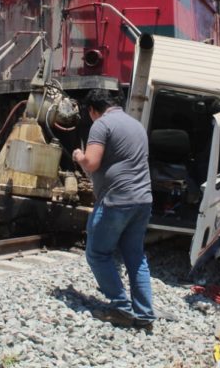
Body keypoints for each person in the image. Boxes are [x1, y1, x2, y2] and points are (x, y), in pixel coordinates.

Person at [72, 89, 155, 331]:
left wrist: (79, 156)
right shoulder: (135, 125)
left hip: (117, 201)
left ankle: (121, 308)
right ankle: (144, 313)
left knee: (97, 254)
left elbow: (92, 162)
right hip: (143, 200)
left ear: (92, 110)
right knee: (135, 257)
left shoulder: (101, 125)